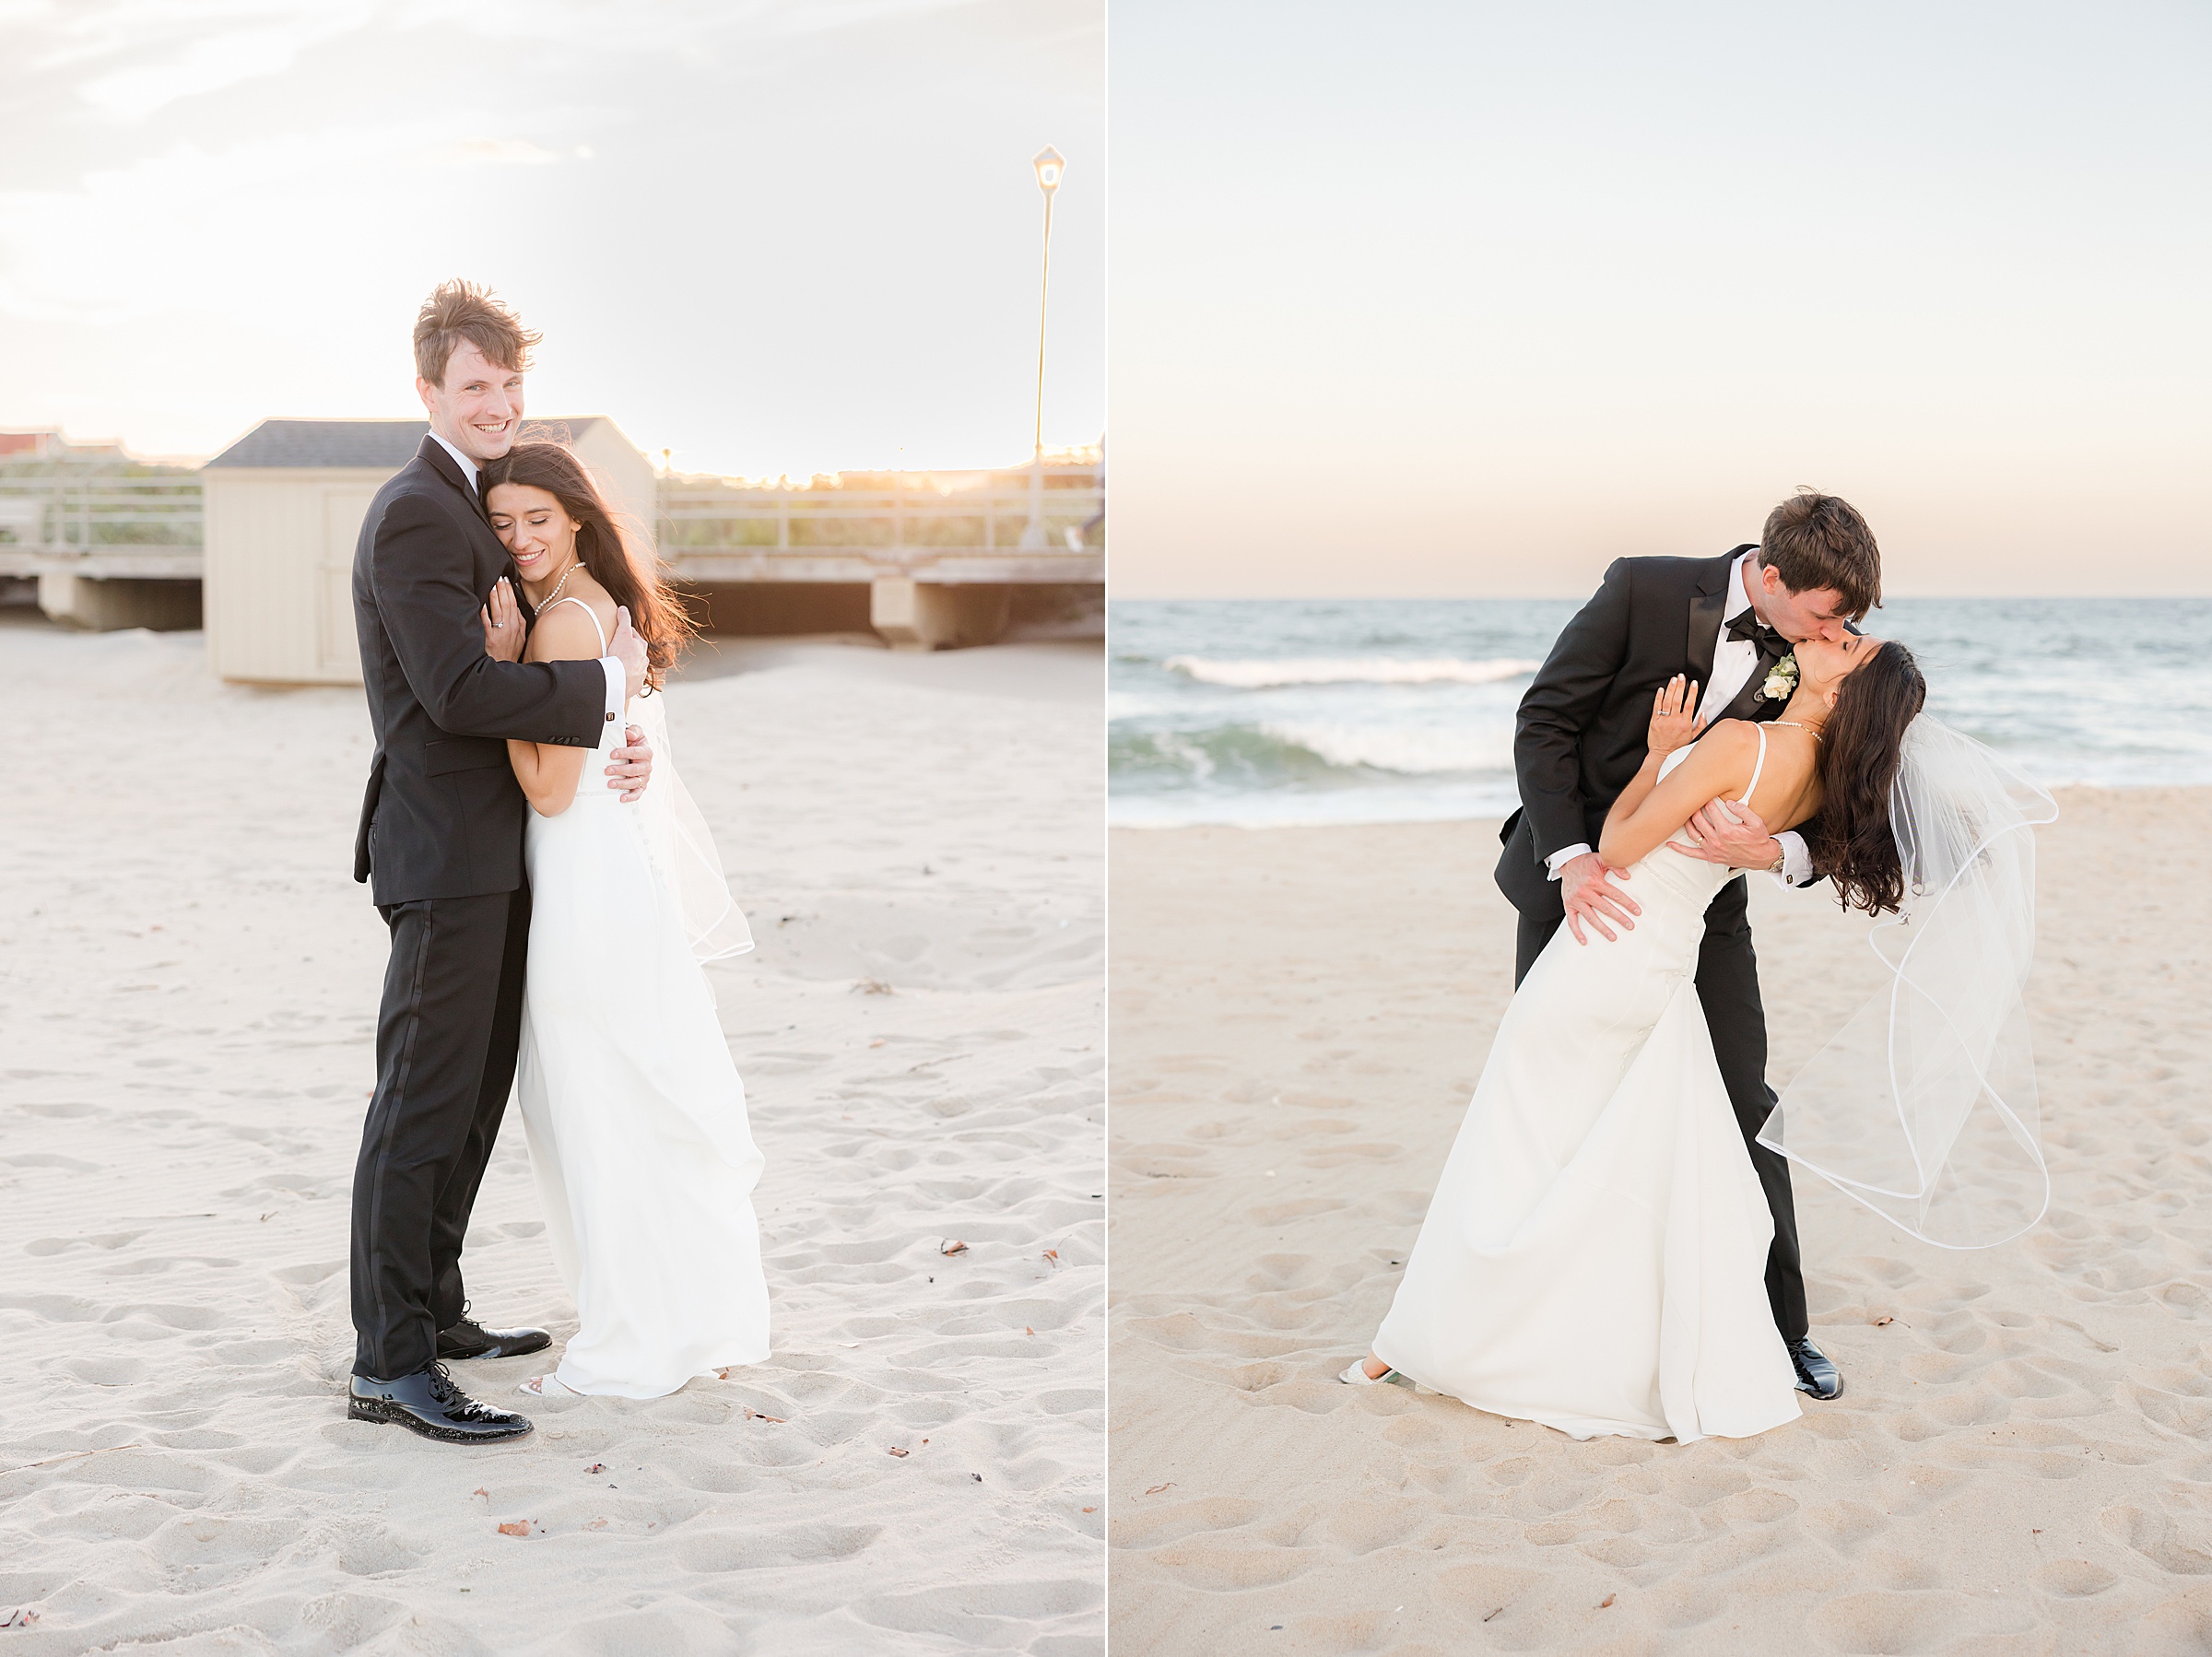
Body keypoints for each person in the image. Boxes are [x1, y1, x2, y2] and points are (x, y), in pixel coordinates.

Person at [1341, 627, 1925, 1442]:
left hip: (1605, 946)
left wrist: (1659, 755)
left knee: (1511, 1137)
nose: (1833, 636)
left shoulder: (1738, 742)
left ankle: (1407, 1345)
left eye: (1849, 643)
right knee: (1595, 1146)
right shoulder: (1824, 779)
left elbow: (1617, 846)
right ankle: (1525, 1330)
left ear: (1843, 688)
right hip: (1663, 967)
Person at [346, 281, 656, 1445]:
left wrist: (615, 741)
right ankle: (389, 1361)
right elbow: (457, 690)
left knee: (473, 1095)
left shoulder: (473, 499)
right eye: (475, 385)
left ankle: (436, 1311)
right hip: (446, 852)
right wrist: (600, 689)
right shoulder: (418, 512)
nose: (498, 403)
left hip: (504, 847)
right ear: (428, 390)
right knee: (420, 1103)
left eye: (510, 383)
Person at [1489, 494, 1887, 1401]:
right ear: (1773, 577)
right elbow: (1546, 719)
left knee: (1746, 1099)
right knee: (1553, 1095)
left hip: (1701, 905)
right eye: (1828, 613)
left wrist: (1776, 851)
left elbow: (1845, 799)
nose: (1840, 630)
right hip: (1578, 882)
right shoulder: (1643, 589)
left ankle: (1784, 1332)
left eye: (1849, 618)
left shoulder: (1819, 659)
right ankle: (1533, 1307)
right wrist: (1572, 858)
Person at [477, 441, 771, 1400]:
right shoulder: (606, 604)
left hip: (579, 886)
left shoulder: (562, 623)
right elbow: (624, 744)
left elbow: (548, 789)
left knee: (594, 1105)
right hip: (614, 880)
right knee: (626, 1099)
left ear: (576, 518)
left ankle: (630, 1332)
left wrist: (501, 676)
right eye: (503, 522)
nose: (520, 539)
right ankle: (674, 1317)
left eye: (538, 520)